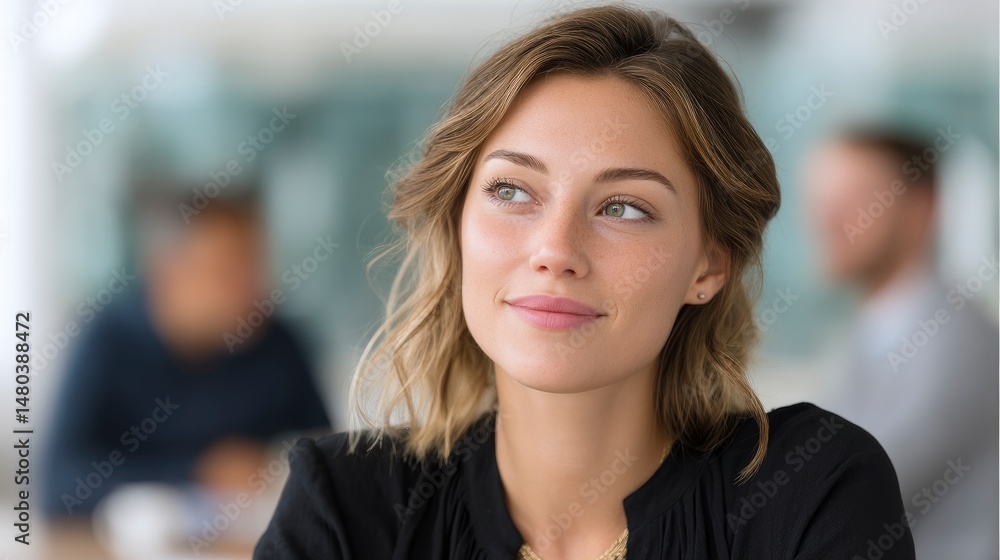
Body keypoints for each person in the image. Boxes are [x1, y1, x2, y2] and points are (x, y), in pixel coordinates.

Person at [254, 6, 914, 559]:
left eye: (623, 207)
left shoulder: (810, 491)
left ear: (709, 266)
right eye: (511, 190)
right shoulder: (346, 505)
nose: (554, 250)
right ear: (457, 224)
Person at [43, 187, 331, 517]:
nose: (253, 287)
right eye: (226, 272)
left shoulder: (279, 342)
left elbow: (329, 460)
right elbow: (59, 483)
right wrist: (196, 475)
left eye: (255, 265)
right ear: (169, 273)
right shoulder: (107, 340)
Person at [802, 128, 999, 559]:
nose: (827, 218)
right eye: (821, 198)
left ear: (923, 208)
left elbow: (848, 487)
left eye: (856, 197)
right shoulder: (870, 331)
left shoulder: (959, 343)